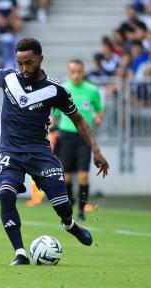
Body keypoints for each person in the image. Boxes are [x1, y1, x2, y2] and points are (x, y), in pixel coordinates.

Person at [0, 37, 109, 265]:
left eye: (28, 63)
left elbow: (78, 120)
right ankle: (20, 253)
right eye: (20, 63)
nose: (24, 68)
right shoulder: (9, 78)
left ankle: (69, 224)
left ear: (40, 58)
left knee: (63, 206)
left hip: (40, 154)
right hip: (10, 153)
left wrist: (96, 150)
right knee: (6, 194)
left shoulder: (55, 90)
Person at [51, 60, 105, 221]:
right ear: (69, 72)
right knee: (66, 177)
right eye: (73, 71)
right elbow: (55, 114)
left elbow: (100, 110)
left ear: (83, 71)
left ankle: (81, 210)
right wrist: (51, 129)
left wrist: (99, 119)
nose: (76, 75)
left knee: (83, 177)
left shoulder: (92, 90)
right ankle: (69, 205)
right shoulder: (64, 89)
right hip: (65, 135)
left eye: (79, 71)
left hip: (84, 138)